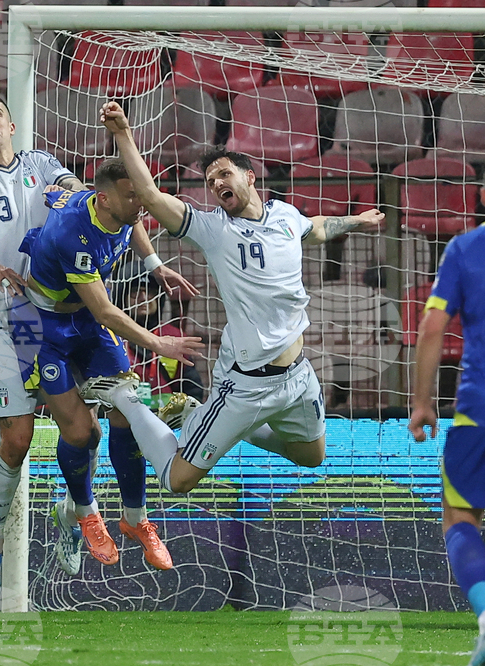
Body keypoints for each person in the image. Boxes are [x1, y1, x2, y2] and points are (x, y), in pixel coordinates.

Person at [0, 93, 196, 598]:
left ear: (12, 124)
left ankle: (77, 514)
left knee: (90, 429)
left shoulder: (42, 165)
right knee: (17, 440)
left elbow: (101, 200)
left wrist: (149, 261)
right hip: (10, 317)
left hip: (67, 312)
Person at [93, 101, 383, 497]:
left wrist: (356, 221)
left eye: (223, 174)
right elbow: (151, 196)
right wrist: (123, 133)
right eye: (211, 181)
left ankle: (215, 423)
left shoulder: (283, 214)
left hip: (298, 376)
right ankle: (129, 401)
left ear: (249, 177)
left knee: (312, 457)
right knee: (176, 481)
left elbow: (314, 229)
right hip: (244, 386)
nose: (216, 184)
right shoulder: (214, 230)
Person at [20, 158, 205, 567]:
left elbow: (130, 218)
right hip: (41, 324)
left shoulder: (119, 207)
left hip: (84, 319)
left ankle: (136, 519)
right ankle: (84, 514)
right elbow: (105, 311)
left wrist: (155, 265)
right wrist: (159, 343)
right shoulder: (74, 234)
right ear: (103, 199)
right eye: (131, 195)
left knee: (127, 410)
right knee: (84, 432)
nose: (140, 203)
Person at [408, 230, 485, 666]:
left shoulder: (465, 248)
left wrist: (421, 402)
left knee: (459, 516)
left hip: (479, 410)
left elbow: (433, 325)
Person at [114, 260, 204, 404]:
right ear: (121, 297)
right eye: (135, 292)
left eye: (149, 292)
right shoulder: (109, 336)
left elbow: (192, 389)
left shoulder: (174, 337)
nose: (143, 299)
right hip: (121, 419)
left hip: (166, 420)